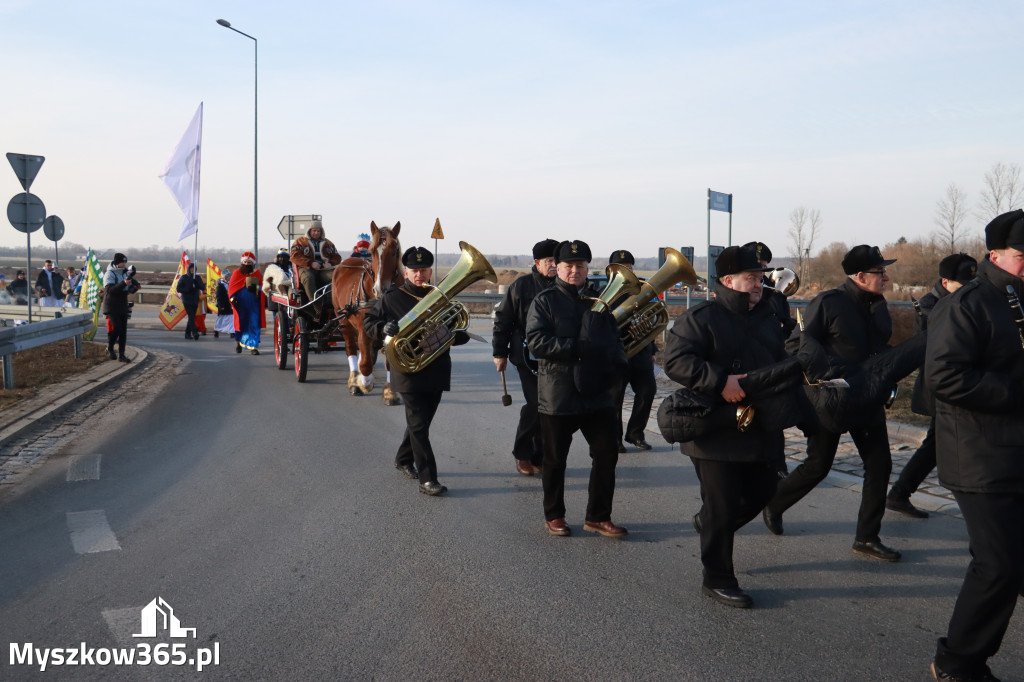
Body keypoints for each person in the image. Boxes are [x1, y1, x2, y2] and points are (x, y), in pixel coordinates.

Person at [664, 245, 802, 608]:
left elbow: (784, 358)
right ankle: (718, 577)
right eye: (751, 278)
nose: (759, 284)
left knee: (763, 491)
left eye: (760, 278)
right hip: (714, 427)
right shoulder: (701, 316)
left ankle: (710, 524)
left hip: (760, 423)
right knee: (722, 505)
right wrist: (719, 380)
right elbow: (675, 361)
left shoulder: (771, 314)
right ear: (727, 280)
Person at [926, 210, 1024, 682]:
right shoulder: (967, 303)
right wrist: (1014, 392)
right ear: (996, 255)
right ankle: (957, 661)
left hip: (1016, 449)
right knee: (998, 563)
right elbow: (944, 376)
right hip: (980, 455)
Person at [763, 244, 903, 562]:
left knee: (880, 465)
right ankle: (774, 503)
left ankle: (867, 537)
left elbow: (879, 347)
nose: (886, 276)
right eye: (881, 272)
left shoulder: (879, 305)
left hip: (867, 398)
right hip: (829, 400)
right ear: (860, 276)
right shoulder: (829, 303)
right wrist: (826, 375)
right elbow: (799, 344)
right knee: (818, 466)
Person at [526, 239, 628, 538]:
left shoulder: (600, 300)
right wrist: (578, 348)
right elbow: (536, 342)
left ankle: (598, 517)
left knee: (607, 454)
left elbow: (614, 339)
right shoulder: (544, 301)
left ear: (587, 268)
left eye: (580, 266)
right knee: (555, 460)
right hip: (558, 393)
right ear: (557, 268)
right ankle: (554, 515)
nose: (574, 271)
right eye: (568, 265)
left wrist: (620, 364)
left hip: (597, 393)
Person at [363, 246, 468, 496]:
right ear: (406, 273)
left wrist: (451, 335)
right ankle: (428, 479)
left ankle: (403, 459)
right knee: (419, 425)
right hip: (407, 371)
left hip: (437, 369)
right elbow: (369, 323)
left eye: (424, 270)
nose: (420, 275)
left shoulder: (442, 297)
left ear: (430, 271)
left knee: (420, 423)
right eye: (414, 271)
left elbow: (460, 334)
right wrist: (383, 329)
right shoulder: (391, 297)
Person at [885, 253, 977, 519]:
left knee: (937, 444)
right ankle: (900, 493)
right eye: (964, 284)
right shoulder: (930, 305)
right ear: (946, 281)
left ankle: (899, 493)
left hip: (954, 384)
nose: (970, 289)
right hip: (941, 386)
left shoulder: (955, 299)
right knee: (942, 444)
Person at [492, 237, 559, 475]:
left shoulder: (565, 285)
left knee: (550, 408)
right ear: (537, 262)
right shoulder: (521, 286)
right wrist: (499, 352)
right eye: (549, 260)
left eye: (557, 260)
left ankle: (539, 455)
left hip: (557, 357)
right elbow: (503, 320)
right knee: (535, 405)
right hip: (526, 356)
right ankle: (522, 453)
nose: (554, 265)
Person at [608, 249, 657, 453]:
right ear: (610, 270)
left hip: (640, 352)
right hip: (616, 353)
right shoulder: (604, 293)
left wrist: (652, 349)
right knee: (615, 398)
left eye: (629, 267)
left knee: (648, 391)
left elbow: (650, 321)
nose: (626, 271)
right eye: (621, 268)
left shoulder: (640, 292)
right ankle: (615, 439)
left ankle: (635, 433)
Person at [290, 219, 342, 319]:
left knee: (335, 277)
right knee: (308, 278)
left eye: (318, 231)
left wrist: (330, 263)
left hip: (323, 269)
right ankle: (317, 305)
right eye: (314, 230)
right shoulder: (300, 242)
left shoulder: (328, 243)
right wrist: (310, 263)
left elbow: (337, 257)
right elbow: (294, 256)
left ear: (321, 231)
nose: (316, 233)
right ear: (309, 231)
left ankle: (332, 302)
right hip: (305, 268)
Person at [101, 253, 136, 362]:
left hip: (122, 305)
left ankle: (122, 354)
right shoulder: (109, 273)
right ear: (117, 262)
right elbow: (110, 290)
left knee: (123, 331)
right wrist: (123, 283)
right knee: (117, 328)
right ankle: (110, 347)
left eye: (125, 262)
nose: (124, 264)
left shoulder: (124, 273)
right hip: (111, 305)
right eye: (122, 262)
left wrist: (134, 288)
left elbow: (125, 290)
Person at [229, 252, 266, 355]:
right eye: (245, 262)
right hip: (240, 305)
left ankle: (254, 347)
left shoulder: (257, 273)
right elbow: (231, 288)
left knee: (254, 324)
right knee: (241, 325)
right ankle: (239, 343)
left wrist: (256, 288)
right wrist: (233, 299)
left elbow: (262, 288)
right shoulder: (237, 273)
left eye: (249, 262)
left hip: (254, 304)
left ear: (253, 263)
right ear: (242, 262)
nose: (247, 264)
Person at [176, 262, 204, 341]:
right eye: (191, 268)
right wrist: (187, 290)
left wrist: (197, 283)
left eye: (193, 269)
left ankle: (187, 334)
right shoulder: (184, 277)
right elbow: (178, 288)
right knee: (191, 316)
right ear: (188, 269)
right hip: (187, 300)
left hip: (195, 300)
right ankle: (195, 333)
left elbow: (202, 287)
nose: (192, 270)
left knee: (192, 317)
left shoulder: (197, 277)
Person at [214, 269, 234, 339]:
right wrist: (221, 305)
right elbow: (218, 297)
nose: (230, 277)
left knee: (231, 318)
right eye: (228, 276)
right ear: (225, 277)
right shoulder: (220, 286)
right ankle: (216, 330)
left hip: (229, 305)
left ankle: (232, 332)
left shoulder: (230, 284)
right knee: (221, 319)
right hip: (222, 305)